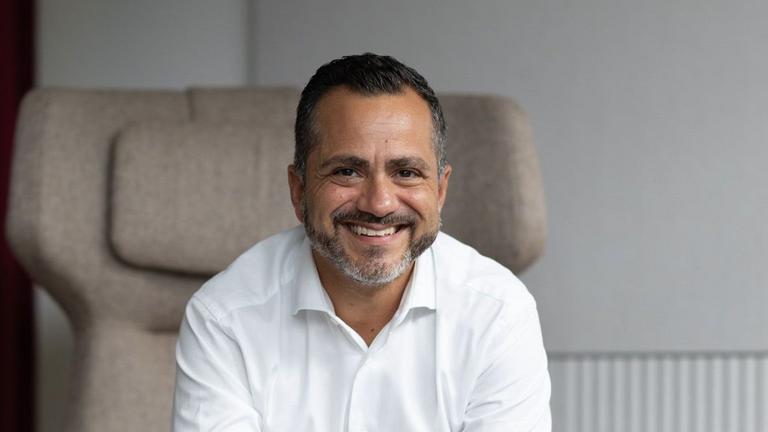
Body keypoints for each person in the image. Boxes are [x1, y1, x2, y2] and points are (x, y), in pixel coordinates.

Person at [172, 53, 551, 431]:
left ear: (439, 190)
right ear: (298, 190)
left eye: (406, 172)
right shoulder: (224, 317)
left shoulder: (498, 315)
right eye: (347, 171)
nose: (379, 203)